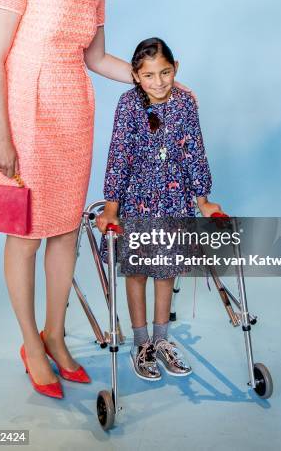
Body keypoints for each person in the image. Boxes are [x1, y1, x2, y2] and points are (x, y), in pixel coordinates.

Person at [0, 0, 193, 399]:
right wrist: (1, 135)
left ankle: (56, 334)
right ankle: (31, 342)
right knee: (27, 235)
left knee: (64, 234)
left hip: (74, 116)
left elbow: (96, 59)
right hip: (27, 119)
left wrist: (151, 80)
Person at [96, 37, 222, 381]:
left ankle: (162, 341)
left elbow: (195, 152)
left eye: (165, 72)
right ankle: (142, 344)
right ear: (136, 75)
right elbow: (119, 157)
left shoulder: (184, 104)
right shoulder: (128, 105)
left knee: (166, 271)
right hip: (137, 199)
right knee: (137, 272)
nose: (159, 81)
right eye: (149, 75)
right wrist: (111, 206)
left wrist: (202, 199)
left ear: (175, 69)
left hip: (174, 200)